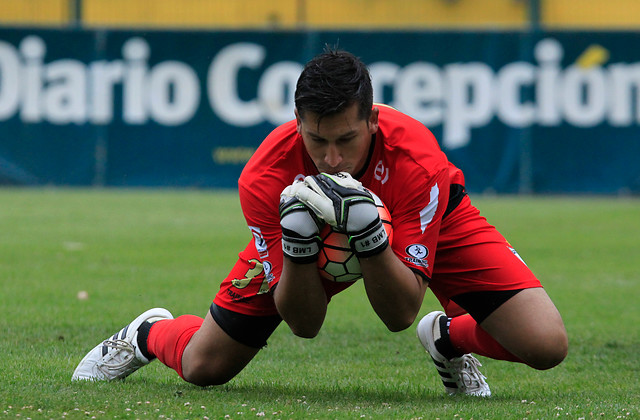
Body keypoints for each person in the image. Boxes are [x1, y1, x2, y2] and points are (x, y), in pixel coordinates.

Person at [72, 48, 568, 396]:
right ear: (296, 122)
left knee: (545, 344)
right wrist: (298, 246)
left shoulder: (418, 163)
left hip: (427, 216)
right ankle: (147, 333)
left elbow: (398, 315)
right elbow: (305, 326)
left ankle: (446, 337)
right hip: (302, 238)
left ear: (373, 119)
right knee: (204, 367)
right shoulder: (266, 178)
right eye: (316, 140)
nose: (332, 160)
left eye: (347, 139)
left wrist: (370, 236)